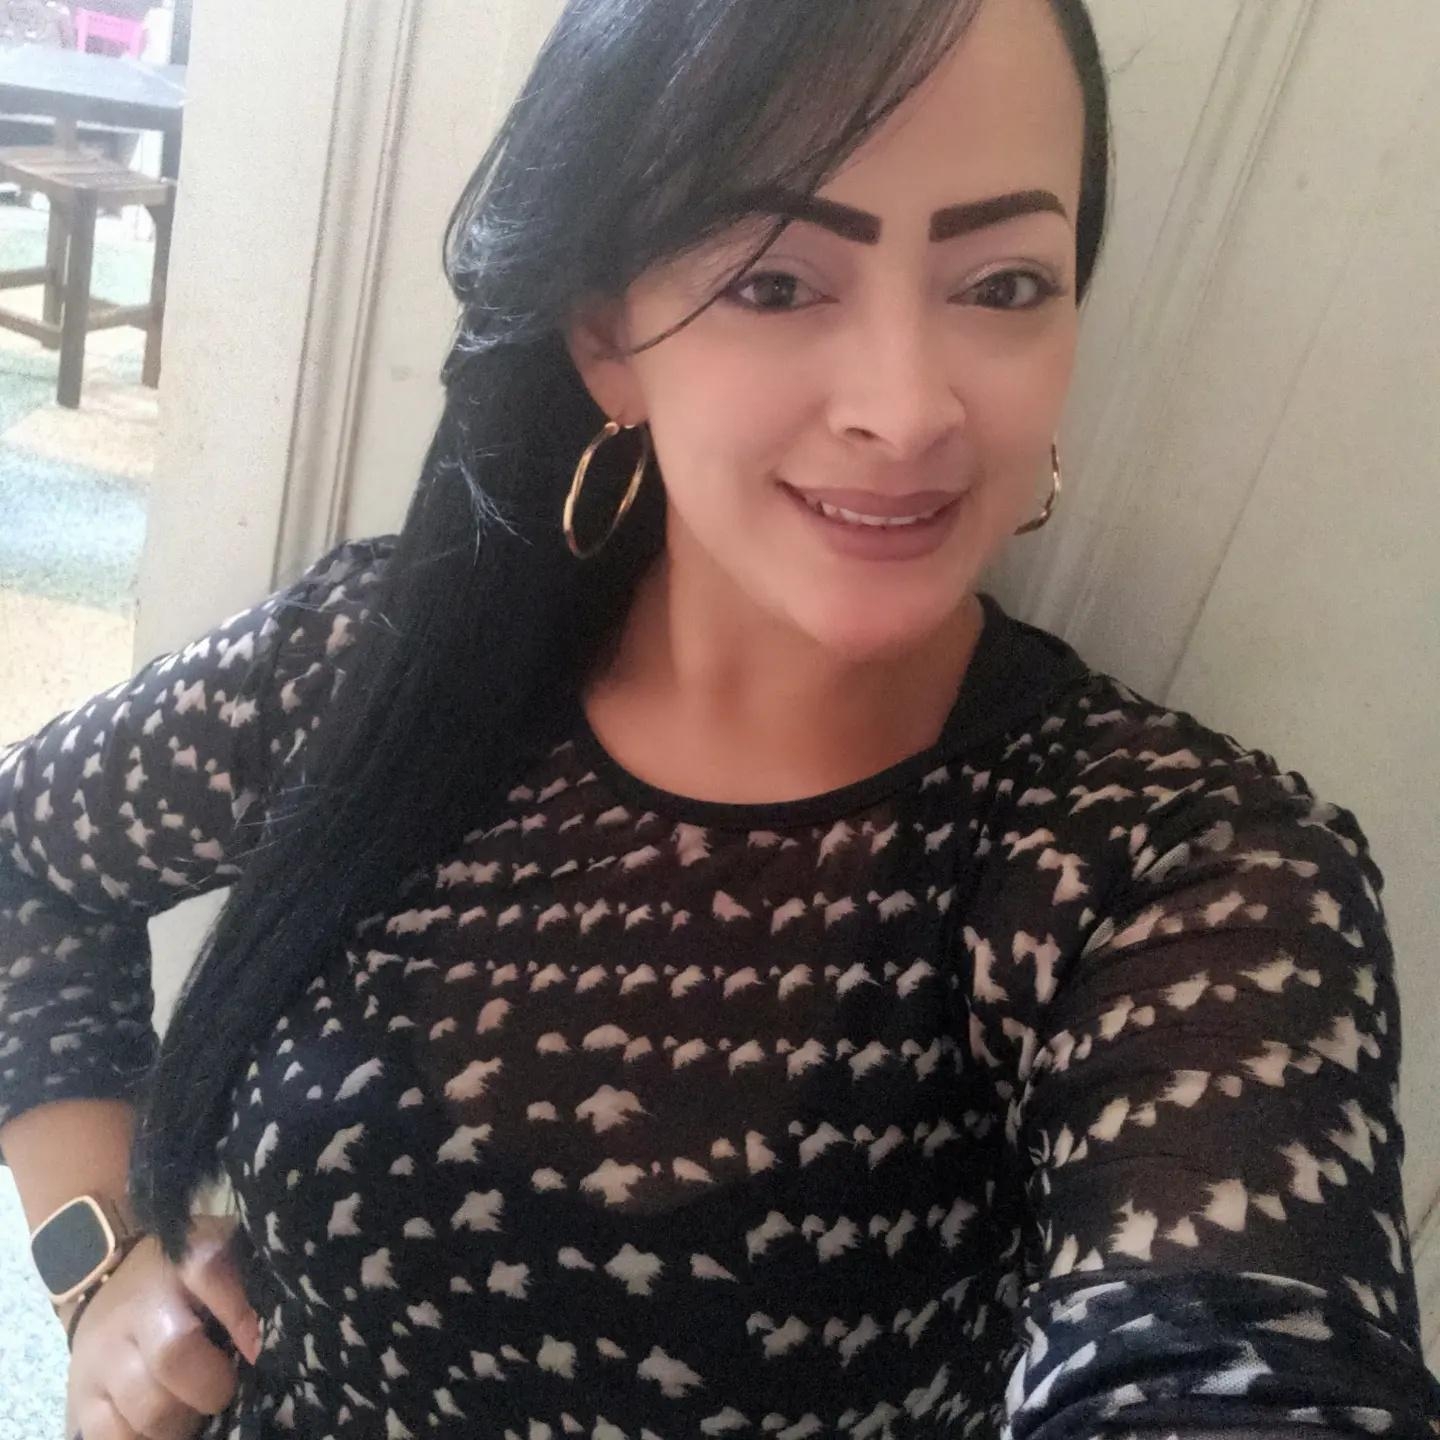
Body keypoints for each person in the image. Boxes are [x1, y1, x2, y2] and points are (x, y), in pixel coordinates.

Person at [2, 0, 1437, 1436]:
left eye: (1002, 284)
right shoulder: (380, 659)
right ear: (607, 335)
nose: (906, 410)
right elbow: (26, 857)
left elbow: (1235, 1355)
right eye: (775, 281)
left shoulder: (1172, 871)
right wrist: (96, 1270)